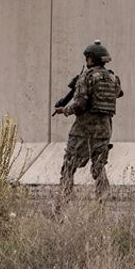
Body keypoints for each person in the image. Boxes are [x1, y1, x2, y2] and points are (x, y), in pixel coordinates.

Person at [55, 40, 123, 202]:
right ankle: (102, 201)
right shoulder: (113, 78)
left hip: (83, 130)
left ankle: (63, 201)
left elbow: (80, 105)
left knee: (69, 164)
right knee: (99, 166)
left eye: (87, 58)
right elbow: (118, 94)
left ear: (91, 59)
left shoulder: (87, 77)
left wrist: (64, 110)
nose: (86, 61)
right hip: (104, 130)